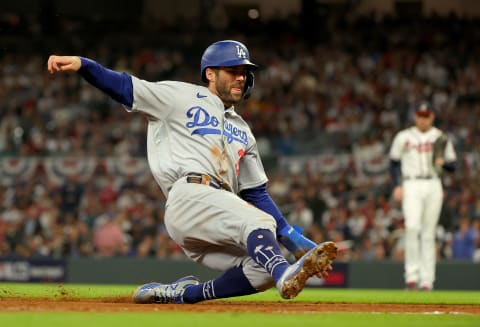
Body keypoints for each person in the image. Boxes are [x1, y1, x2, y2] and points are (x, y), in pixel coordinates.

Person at [47, 40, 337, 304]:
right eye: (232, 70)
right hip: (189, 195)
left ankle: (183, 294)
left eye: (244, 72)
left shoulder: (243, 131)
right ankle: (284, 273)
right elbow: (125, 87)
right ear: (210, 74)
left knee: (261, 271)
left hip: (220, 213)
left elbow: (255, 193)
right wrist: (85, 66)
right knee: (261, 229)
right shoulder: (180, 96)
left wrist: (292, 237)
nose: (240, 77)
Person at [389, 102, 456, 290]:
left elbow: (452, 166)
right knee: (412, 227)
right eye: (420, 115)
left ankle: (427, 281)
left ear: (432, 117)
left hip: (433, 182)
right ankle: (411, 277)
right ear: (415, 117)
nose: (422, 118)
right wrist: (396, 185)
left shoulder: (440, 137)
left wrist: (443, 164)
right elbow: (393, 162)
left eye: (426, 115)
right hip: (411, 183)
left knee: (429, 232)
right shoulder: (404, 136)